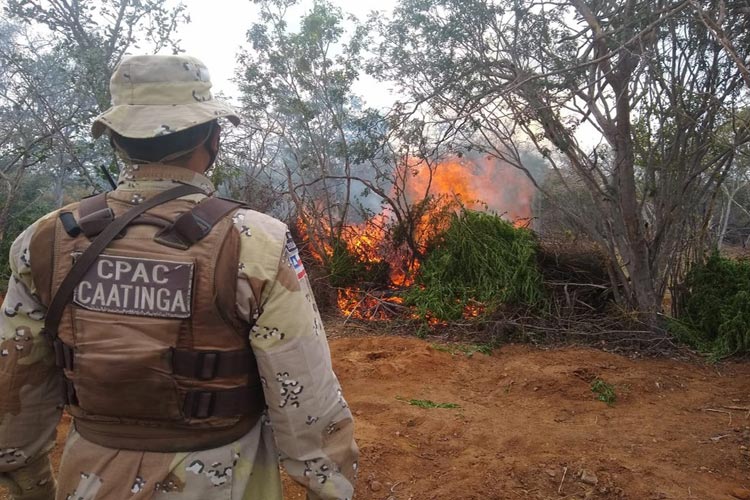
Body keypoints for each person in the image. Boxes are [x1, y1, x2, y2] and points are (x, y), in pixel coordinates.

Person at [0, 54, 357, 500]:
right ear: (212, 137)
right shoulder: (255, 241)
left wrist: (32, 485)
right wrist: (330, 486)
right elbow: (307, 398)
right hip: (225, 481)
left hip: (89, 479)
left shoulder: (45, 240)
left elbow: (15, 389)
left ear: (115, 139)